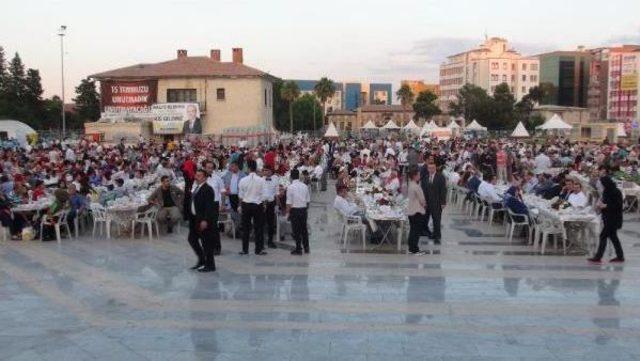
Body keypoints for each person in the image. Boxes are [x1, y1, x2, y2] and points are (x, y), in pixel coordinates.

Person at [589, 175, 625, 264]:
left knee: (603, 236)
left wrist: (606, 206)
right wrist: (600, 205)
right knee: (613, 237)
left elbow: (619, 206)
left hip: (614, 219)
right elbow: (605, 202)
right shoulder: (606, 191)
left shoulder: (616, 192)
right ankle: (620, 256)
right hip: (607, 218)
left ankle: (598, 257)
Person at [187, 169, 216, 273]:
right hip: (195, 219)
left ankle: (210, 265)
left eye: (199, 176)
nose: (196, 177)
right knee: (192, 239)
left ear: (205, 177)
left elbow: (209, 207)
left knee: (206, 243)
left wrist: (205, 220)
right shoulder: (197, 187)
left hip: (203, 220)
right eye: (196, 175)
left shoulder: (208, 189)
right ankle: (202, 259)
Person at [238, 159, 267, 255]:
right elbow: (263, 195)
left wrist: (240, 206)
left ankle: (244, 249)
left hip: (246, 205)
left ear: (249, 168)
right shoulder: (261, 180)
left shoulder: (243, 180)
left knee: (245, 228)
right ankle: (258, 249)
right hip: (257, 205)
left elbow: (241, 196)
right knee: (258, 228)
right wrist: (264, 205)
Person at [420, 161, 447, 244]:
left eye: (433, 168)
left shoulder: (440, 177)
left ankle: (437, 236)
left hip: (437, 202)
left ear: (435, 168)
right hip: (427, 202)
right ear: (427, 169)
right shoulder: (426, 177)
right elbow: (423, 190)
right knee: (425, 217)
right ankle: (427, 232)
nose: (431, 169)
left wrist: (443, 202)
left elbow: (443, 190)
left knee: (436, 220)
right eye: (429, 168)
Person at [286, 168, 310, 255]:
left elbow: (289, 202)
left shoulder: (290, 187)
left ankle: (298, 248)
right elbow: (308, 201)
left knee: (296, 231)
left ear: (291, 177)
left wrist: (287, 213)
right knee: (304, 229)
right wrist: (305, 210)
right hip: (303, 210)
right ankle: (306, 247)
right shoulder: (305, 186)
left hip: (295, 210)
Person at [204, 161, 225, 254]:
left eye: (211, 168)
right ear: (204, 167)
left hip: (214, 204)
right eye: (208, 167)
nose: (209, 169)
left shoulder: (217, 178)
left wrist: (222, 204)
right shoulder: (200, 178)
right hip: (203, 205)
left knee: (213, 226)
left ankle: (217, 248)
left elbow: (223, 191)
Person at [405, 169, 426, 255]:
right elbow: (422, 199)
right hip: (417, 210)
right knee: (416, 231)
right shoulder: (416, 186)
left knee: (412, 229)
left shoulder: (410, 185)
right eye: (418, 175)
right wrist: (424, 205)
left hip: (410, 210)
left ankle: (411, 247)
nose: (419, 176)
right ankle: (415, 249)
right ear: (414, 176)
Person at [262, 167, 279, 248]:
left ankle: (270, 241)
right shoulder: (260, 180)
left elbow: (276, 194)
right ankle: (261, 242)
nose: (265, 171)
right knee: (261, 223)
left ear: (271, 171)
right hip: (262, 203)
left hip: (271, 203)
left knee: (271, 223)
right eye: (264, 170)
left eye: (267, 170)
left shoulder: (275, 180)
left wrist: (277, 205)